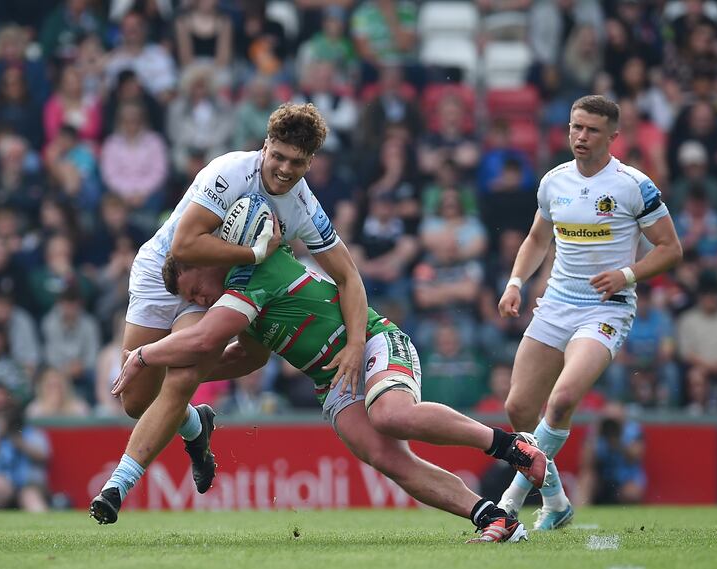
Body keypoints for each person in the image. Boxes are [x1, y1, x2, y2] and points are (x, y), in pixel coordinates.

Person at [90, 245, 548, 544]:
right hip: (330, 378)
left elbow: (207, 336)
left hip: (368, 339)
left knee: (391, 415)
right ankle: (493, 517)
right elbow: (250, 357)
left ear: (205, 264)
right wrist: (183, 375)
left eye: (196, 290)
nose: (202, 301)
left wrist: (146, 355)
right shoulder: (234, 300)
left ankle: (510, 446)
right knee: (386, 457)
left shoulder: (253, 272)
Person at [116, 103, 370, 500]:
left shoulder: (304, 206)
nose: (285, 170)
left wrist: (356, 344)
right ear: (266, 144)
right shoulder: (230, 171)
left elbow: (348, 276)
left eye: (298, 163)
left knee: (182, 376)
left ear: (311, 162)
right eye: (279, 156)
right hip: (161, 272)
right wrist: (254, 255)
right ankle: (195, 427)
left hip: (212, 290)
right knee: (136, 401)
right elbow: (185, 244)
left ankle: (116, 488)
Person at [496, 95, 683, 530]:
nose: (581, 136)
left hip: (606, 308)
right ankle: (557, 502)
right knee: (520, 408)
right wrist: (515, 283)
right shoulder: (553, 182)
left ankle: (509, 502)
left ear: (612, 137)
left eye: (592, 130)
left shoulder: (633, 185)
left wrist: (627, 274)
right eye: (575, 127)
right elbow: (537, 240)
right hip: (557, 302)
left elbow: (672, 249)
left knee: (560, 402)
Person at [0, 396, 51, 512]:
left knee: (32, 498)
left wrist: (19, 441)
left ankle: (46, 529)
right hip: (1, 482)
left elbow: (43, 455)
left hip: (26, 484)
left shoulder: (29, 431)